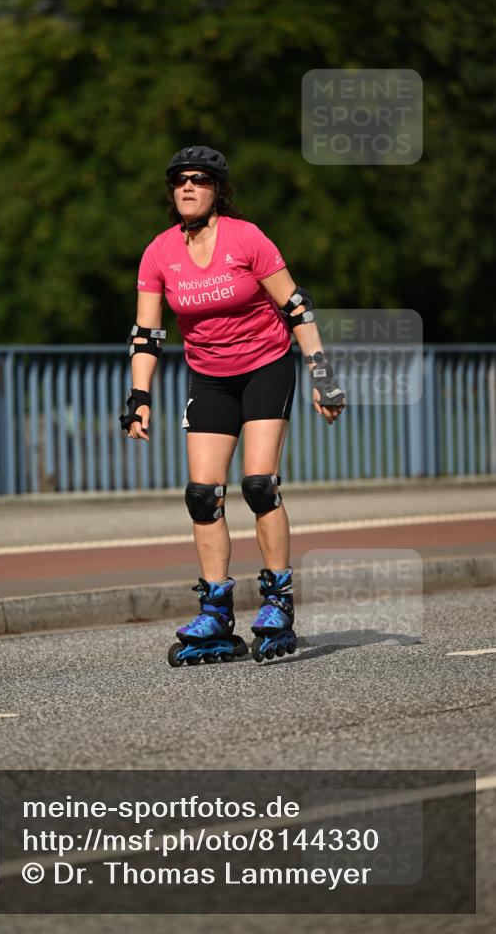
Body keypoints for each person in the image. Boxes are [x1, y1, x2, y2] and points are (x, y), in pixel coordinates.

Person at [119, 145, 345, 666]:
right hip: (211, 378)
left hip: (267, 366)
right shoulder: (159, 253)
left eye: (199, 179)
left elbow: (295, 305)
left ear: (219, 189)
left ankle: (277, 603)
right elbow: (147, 334)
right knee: (202, 495)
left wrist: (323, 377)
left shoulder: (247, 238)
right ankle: (217, 612)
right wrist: (139, 397)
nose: (188, 187)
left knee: (259, 485)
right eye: (179, 180)